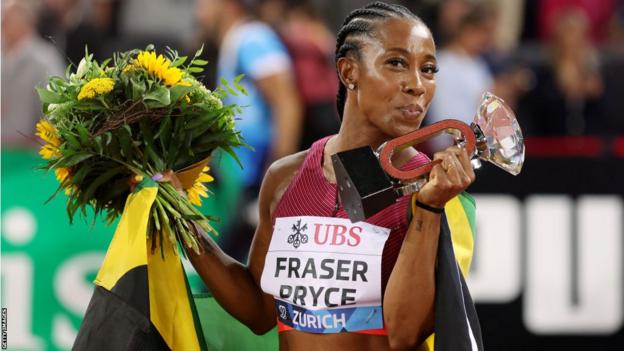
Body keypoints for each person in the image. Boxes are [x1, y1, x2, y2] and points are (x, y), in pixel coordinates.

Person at [189, 2, 479, 350]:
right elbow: (260, 310)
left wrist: (429, 210)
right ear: (348, 71)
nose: (417, 85)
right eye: (397, 63)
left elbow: (405, 333)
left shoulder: (433, 190)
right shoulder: (284, 178)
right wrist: (181, 220)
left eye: (429, 69)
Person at [196, 0, 303, 261]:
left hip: (258, 183)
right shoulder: (236, 43)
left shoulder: (252, 38)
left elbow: (287, 103)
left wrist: (277, 179)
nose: (199, 10)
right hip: (243, 182)